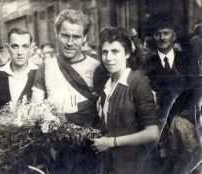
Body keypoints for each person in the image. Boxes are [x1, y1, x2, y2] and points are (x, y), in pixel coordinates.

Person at [31, 9, 100, 173]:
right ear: (57, 34)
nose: (70, 42)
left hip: (90, 151)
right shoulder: (46, 67)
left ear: (85, 38)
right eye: (65, 35)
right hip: (57, 152)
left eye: (76, 37)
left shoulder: (97, 67)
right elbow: (36, 109)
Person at [91, 27, 159, 174]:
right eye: (105, 52)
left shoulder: (138, 83)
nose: (109, 58)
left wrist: (111, 142)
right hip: (111, 167)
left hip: (136, 167)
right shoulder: (106, 85)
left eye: (115, 51)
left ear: (127, 53)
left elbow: (152, 132)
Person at [146, 12, 200, 173]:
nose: (162, 37)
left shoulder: (187, 60)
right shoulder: (148, 66)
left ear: (174, 36)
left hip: (186, 121)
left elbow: (197, 90)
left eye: (166, 33)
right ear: (153, 38)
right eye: (158, 34)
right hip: (160, 125)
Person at [0, 27, 38, 110]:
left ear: (31, 48)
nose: (20, 52)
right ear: (7, 47)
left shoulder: (40, 73)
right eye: (15, 46)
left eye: (25, 46)